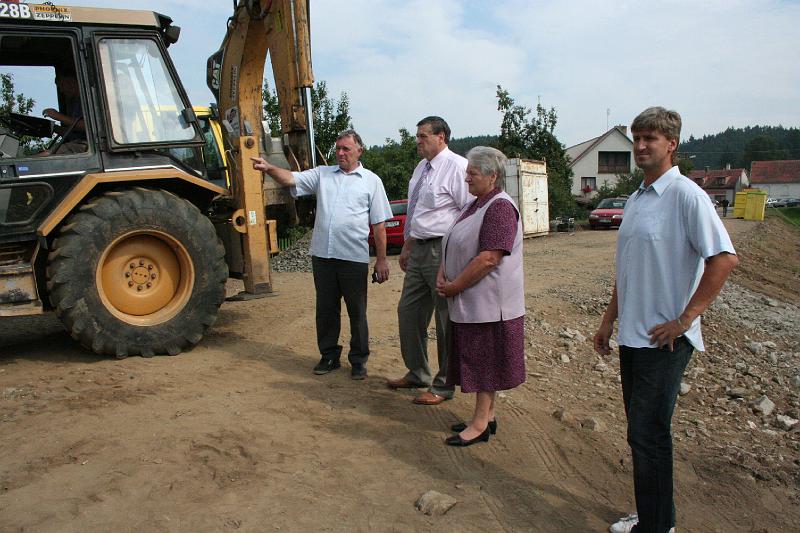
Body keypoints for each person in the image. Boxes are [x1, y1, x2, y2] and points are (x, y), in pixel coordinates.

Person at [593, 107, 738, 533]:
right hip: (633, 337)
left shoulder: (686, 195)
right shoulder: (637, 199)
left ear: (671, 144)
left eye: (649, 139)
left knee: (648, 434)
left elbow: (724, 258)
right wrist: (607, 322)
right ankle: (655, 516)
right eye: (637, 137)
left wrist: (685, 318)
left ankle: (657, 527)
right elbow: (628, 271)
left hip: (665, 341)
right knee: (642, 436)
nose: (640, 146)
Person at [251, 129, 393, 380]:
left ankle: (359, 360)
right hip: (323, 257)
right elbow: (290, 179)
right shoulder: (322, 175)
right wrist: (268, 168)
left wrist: (381, 260)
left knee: (357, 311)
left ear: (359, 150)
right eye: (337, 148)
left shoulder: (371, 181)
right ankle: (329, 355)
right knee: (326, 310)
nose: (339, 153)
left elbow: (379, 224)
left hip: (353, 258)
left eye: (345, 149)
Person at [435, 146, 525, 446]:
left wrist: (455, 285)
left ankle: (479, 424)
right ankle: (488, 416)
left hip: (490, 305)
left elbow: (489, 258)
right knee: (482, 361)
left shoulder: (499, 207)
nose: (466, 179)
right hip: (474, 303)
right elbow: (454, 242)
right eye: (467, 173)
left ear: (492, 176)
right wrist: (442, 272)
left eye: (472, 173)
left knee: (485, 364)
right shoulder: (475, 204)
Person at [386, 116, 471, 405]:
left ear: (441, 137)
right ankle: (418, 372)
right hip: (419, 248)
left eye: (423, 136)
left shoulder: (457, 167)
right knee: (408, 312)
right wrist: (408, 244)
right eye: (418, 136)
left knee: (445, 319)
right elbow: (418, 211)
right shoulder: (421, 168)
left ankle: (444, 385)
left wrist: (454, 256)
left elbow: (468, 213)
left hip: (442, 250)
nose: (418, 141)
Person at [42, 67, 87, 154]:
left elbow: (88, 127)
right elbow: (72, 132)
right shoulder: (75, 104)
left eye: (62, 85)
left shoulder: (88, 101)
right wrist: (53, 128)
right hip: (76, 142)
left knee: (46, 155)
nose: (62, 90)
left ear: (72, 82)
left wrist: (58, 116)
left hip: (86, 145)